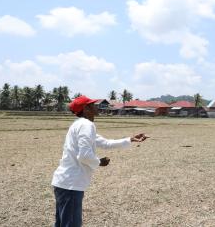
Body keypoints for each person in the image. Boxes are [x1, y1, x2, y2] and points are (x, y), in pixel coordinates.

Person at [51, 95, 148, 227]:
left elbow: (105, 143)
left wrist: (130, 139)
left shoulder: (79, 125)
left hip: (64, 183)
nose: (96, 107)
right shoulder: (86, 125)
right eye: (92, 105)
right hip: (71, 185)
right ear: (85, 109)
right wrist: (99, 162)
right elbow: (84, 155)